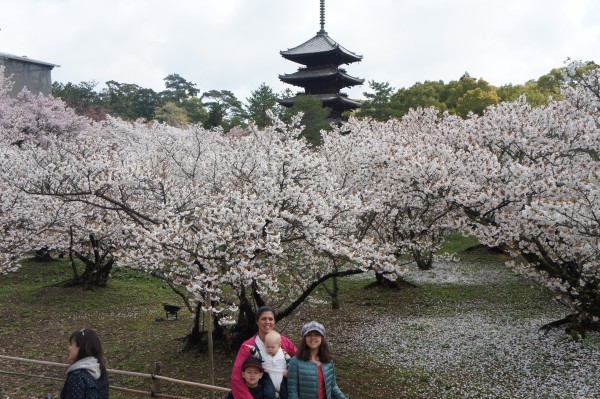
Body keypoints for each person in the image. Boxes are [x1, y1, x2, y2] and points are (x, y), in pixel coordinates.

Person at [231, 306, 297, 399]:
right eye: (263, 319)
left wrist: (291, 370)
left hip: (285, 387)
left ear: (274, 322)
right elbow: (237, 377)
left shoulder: (283, 341)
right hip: (260, 393)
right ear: (257, 321)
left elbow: (299, 357)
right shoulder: (248, 346)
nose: (267, 322)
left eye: (271, 319)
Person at [287, 321, 347, 399]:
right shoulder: (295, 362)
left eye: (317, 334)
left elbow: (333, 387)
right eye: (309, 335)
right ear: (304, 338)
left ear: (322, 338)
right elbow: (292, 392)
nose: (313, 338)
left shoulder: (328, 361)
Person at [60, 328, 109, 399]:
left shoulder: (77, 377)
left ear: (81, 347)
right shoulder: (100, 371)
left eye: (71, 344)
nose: (69, 348)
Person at [247, 331, 291, 399]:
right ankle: (274, 395)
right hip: (268, 377)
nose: (270, 349)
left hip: (282, 376)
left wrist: (288, 369)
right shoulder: (263, 353)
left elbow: (290, 361)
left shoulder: (283, 352)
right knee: (268, 393)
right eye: (267, 347)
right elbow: (258, 356)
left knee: (285, 394)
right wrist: (253, 351)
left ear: (279, 345)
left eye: (272, 347)